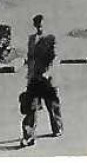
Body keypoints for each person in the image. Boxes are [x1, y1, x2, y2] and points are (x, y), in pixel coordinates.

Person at [20, 13, 62, 146]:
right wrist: (29, 75)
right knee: (31, 107)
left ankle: (57, 127)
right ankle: (29, 136)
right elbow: (30, 58)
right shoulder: (31, 39)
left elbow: (54, 57)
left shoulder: (51, 38)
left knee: (52, 105)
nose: (39, 28)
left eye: (41, 25)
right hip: (34, 79)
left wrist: (47, 72)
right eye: (37, 25)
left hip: (47, 79)